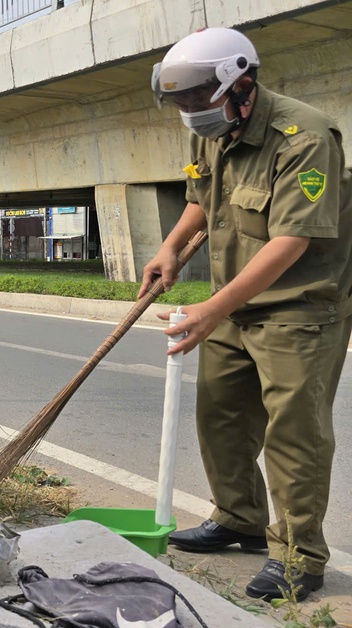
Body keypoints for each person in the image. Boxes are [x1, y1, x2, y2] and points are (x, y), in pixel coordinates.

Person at [144, 26, 352, 602]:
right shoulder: (209, 128)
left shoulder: (304, 139)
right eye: (180, 103)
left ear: (242, 84)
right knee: (222, 419)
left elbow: (291, 243)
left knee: (294, 434)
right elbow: (199, 199)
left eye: (196, 99)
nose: (189, 113)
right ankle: (238, 518)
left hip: (299, 307)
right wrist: (168, 248)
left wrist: (212, 308)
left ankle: (299, 556)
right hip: (233, 302)